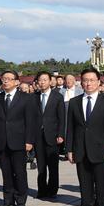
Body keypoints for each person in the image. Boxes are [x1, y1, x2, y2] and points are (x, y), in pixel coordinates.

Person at [66, 67, 104, 206]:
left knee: (102, 190)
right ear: (81, 82)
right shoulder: (74, 102)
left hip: (101, 153)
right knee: (85, 189)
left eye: (91, 80)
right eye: (85, 80)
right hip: (81, 152)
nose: (88, 83)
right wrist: (69, 149)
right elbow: (71, 129)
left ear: (98, 82)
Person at [0, 70, 39, 206]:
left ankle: (20, 199)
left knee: (20, 171)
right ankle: (8, 200)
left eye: (9, 79)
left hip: (20, 140)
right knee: (6, 172)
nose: (5, 81)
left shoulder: (26, 98)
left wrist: (29, 141)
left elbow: (30, 122)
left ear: (17, 82)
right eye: (4, 79)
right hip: (2, 140)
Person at [33, 71, 65, 199]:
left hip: (52, 135)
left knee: (52, 165)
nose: (42, 82)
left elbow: (62, 118)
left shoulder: (57, 97)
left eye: (45, 80)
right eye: (40, 80)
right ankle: (42, 190)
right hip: (38, 136)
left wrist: (61, 134)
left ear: (50, 81)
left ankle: (52, 190)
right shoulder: (33, 97)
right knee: (41, 165)